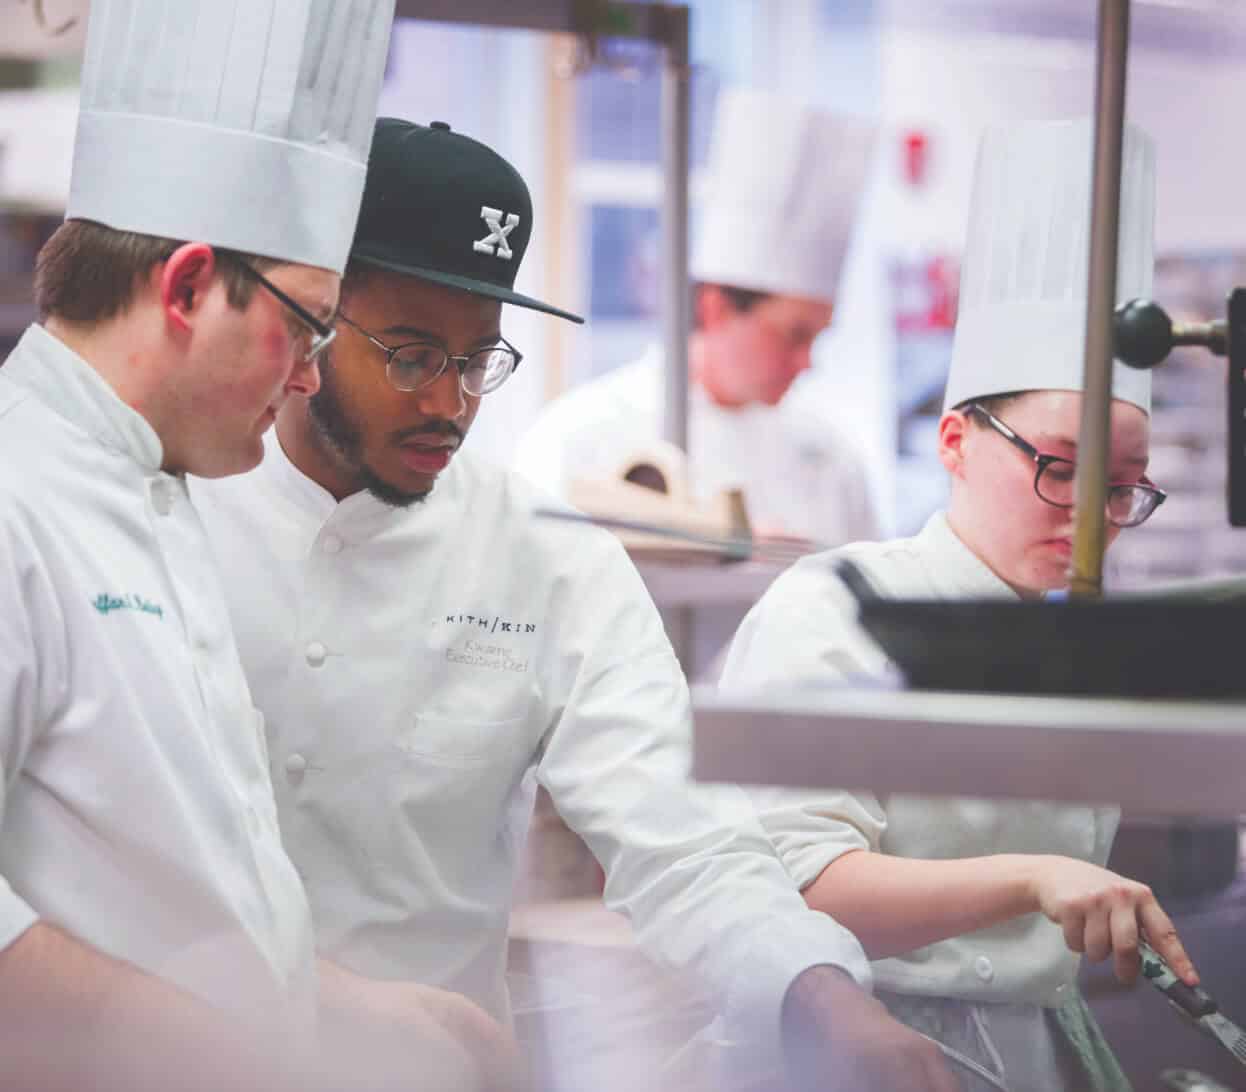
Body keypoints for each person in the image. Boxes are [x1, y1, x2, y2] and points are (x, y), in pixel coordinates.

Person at [190, 116, 960, 1092]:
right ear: (310, 326)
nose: (452, 404)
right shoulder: (165, 511)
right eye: (414, 355)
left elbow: (685, 839)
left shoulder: (546, 557)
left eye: (479, 362)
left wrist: (821, 992)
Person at [0, 4, 508, 1090]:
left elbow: (149, 879)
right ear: (186, 286)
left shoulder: (160, 485)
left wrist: (342, 1011)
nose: (312, 377)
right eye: (308, 326)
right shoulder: (13, 499)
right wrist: (243, 1050)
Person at [719, 119, 1197, 1092]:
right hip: (867, 1047)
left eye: (1123, 488)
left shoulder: (1077, 639)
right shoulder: (838, 607)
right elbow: (801, 886)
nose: (1095, 519)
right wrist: (1032, 879)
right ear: (951, 440)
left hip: (1044, 1048)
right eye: (1061, 470)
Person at [513, 87, 879, 550]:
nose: (807, 362)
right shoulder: (577, 436)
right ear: (716, 308)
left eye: (817, 338)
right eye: (794, 334)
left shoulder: (831, 460)